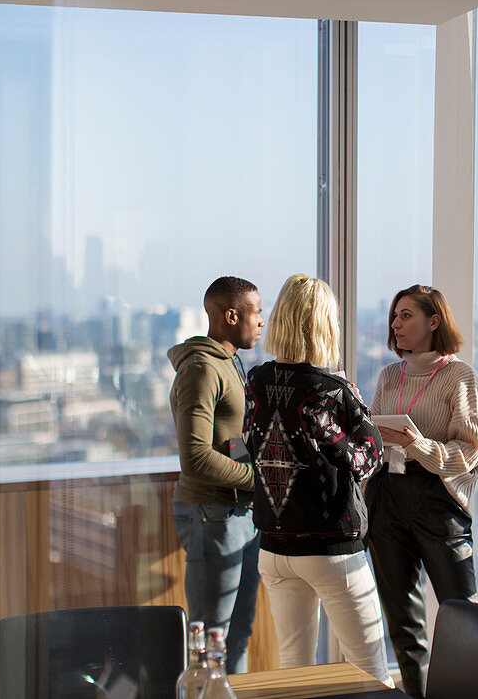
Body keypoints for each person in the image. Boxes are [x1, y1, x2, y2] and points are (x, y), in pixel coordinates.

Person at [244, 273, 391, 684]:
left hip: (274, 548)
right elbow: (366, 461)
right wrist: (350, 426)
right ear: (325, 324)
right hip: (332, 550)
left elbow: (254, 444)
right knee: (372, 672)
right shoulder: (334, 389)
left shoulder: (256, 382)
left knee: (295, 673)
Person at [365, 284, 478, 698]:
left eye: (406, 315)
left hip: (437, 500)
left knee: (462, 615)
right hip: (388, 496)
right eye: (394, 316)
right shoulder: (388, 375)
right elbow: (373, 444)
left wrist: (416, 444)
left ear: (433, 321)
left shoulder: (459, 375)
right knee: (403, 623)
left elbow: (468, 452)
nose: (395, 324)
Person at [168, 276, 264, 674]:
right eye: (257, 313)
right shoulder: (202, 370)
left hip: (240, 514)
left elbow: (229, 440)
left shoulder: (229, 363)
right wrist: (260, 480)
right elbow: (195, 457)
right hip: (213, 516)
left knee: (238, 634)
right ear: (231, 315)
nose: (262, 322)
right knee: (210, 641)